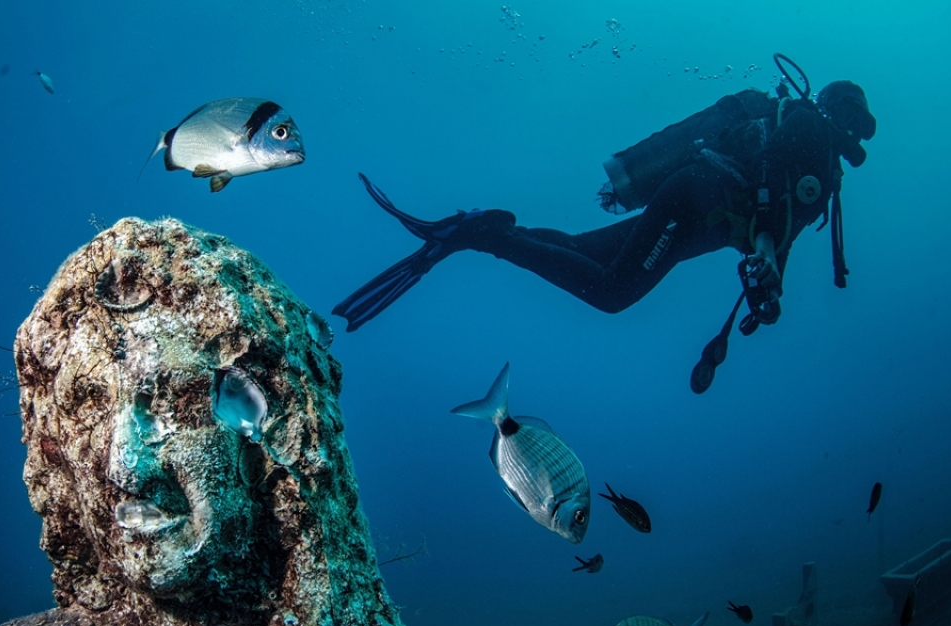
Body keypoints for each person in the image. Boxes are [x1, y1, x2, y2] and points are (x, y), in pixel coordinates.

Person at [334, 63, 876, 391]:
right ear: (839, 112)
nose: (857, 135)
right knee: (612, 293)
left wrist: (768, 275)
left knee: (581, 254)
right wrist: (764, 255)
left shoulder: (822, 166)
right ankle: (486, 235)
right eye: (856, 120)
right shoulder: (810, 130)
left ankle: (479, 228)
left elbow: (775, 225)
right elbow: (766, 186)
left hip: (696, 216)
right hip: (693, 203)